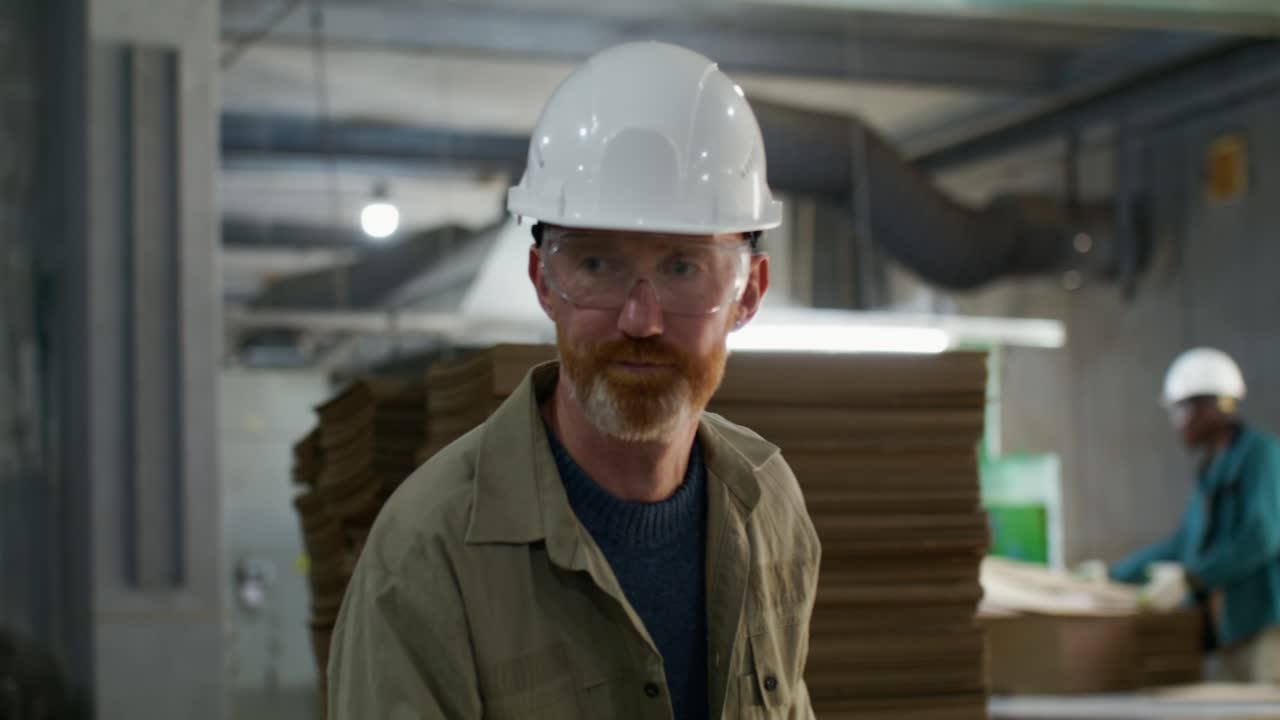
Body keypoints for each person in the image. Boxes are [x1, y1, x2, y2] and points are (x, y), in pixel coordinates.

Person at [327, 41, 821, 719]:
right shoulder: (426, 559)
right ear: (544, 283)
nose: (640, 318)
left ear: (748, 293)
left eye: (683, 269)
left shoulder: (769, 508)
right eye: (596, 265)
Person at [1111, 347, 1280, 682]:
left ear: (1209, 408)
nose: (1177, 423)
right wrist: (1114, 573)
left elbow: (1262, 537)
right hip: (1224, 631)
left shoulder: (1260, 455)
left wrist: (1194, 578)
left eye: (1180, 410)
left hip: (1262, 626)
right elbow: (1183, 543)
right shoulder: (1210, 471)